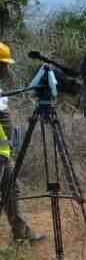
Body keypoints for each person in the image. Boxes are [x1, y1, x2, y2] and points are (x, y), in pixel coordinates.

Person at [0, 42, 46, 244]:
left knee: (12, 188)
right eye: (3, 64)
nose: (6, 68)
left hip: (4, 151)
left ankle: (21, 233)